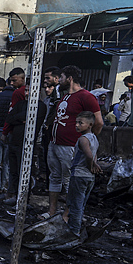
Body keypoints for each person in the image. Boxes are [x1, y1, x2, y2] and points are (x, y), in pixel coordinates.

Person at [46, 65, 103, 218]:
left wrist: (88, 141)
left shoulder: (86, 96)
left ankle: (67, 214)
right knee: (55, 177)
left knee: (69, 180)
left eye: (62, 78)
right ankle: (52, 212)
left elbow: (99, 122)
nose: (60, 81)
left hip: (70, 146)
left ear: (70, 79)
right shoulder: (65, 96)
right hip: (55, 143)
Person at [4, 82, 47, 204]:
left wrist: (20, 118)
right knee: (13, 170)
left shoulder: (40, 106)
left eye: (30, 91)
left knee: (23, 171)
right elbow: (9, 118)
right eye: (26, 91)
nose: (27, 93)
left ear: (37, 93)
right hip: (14, 142)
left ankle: (22, 198)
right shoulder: (21, 104)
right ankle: (13, 194)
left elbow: (34, 123)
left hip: (26, 144)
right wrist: (21, 119)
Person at [62, 111, 101, 236]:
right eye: (77, 122)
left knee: (75, 204)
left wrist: (92, 165)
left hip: (79, 175)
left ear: (89, 125)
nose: (77, 125)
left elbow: (89, 155)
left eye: (81, 123)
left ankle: (74, 231)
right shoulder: (94, 138)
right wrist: (93, 166)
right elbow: (94, 154)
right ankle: (75, 227)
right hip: (89, 177)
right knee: (81, 203)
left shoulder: (83, 139)